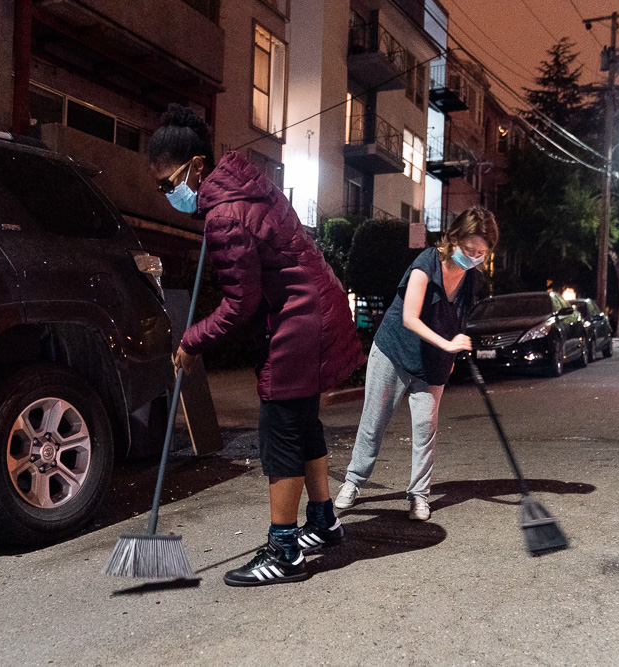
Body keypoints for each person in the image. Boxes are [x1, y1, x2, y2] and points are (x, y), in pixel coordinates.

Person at [148, 104, 364, 587]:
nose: (167, 194)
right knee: (303, 424)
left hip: (297, 323)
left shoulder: (224, 213)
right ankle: (325, 521)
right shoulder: (244, 187)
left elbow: (240, 303)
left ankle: (285, 551)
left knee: (280, 434)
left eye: (168, 184)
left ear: (196, 169)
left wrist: (191, 340)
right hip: (313, 310)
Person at [335, 207, 498, 520]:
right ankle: (353, 482)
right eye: (469, 250)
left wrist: (450, 355)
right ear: (453, 239)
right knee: (375, 420)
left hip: (433, 359)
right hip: (395, 350)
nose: (474, 257)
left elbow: (456, 319)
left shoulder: (472, 281)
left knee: (426, 427)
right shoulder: (427, 263)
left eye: (481, 253)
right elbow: (410, 317)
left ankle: (419, 495)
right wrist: (447, 344)